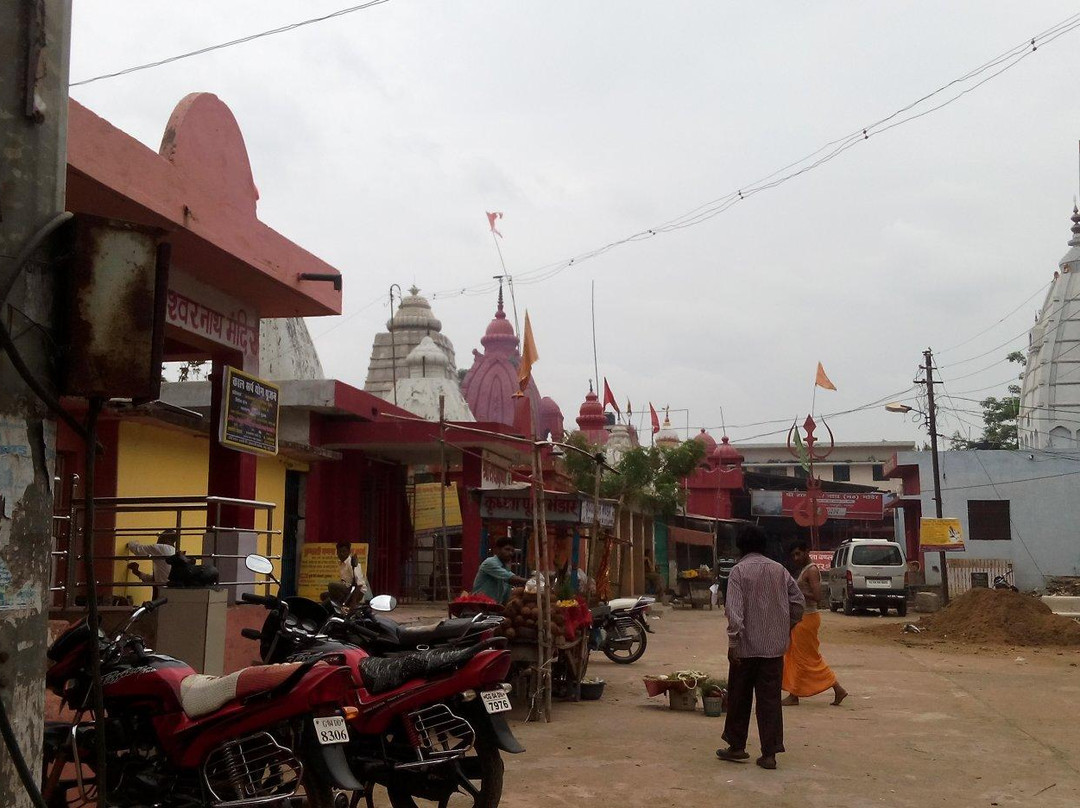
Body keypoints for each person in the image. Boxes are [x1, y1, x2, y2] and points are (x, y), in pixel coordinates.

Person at [717, 525, 805, 771]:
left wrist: (733, 642)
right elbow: (798, 602)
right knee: (769, 702)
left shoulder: (738, 572)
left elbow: (733, 611)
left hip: (745, 648)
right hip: (773, 650)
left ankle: (736, 746)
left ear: (741, 546)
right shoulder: (780, 570)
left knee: (738, 697)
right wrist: (785, 625)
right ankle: (770, 754)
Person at [782, 542, 848, 707]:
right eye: (794, 555)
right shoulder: (805, 570)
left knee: (805, 658)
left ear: (807, 551)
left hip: (807, 618)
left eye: (798, 554)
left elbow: (818, 596)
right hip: (801, 618)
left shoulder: (811, 570)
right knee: (798, 656)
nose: (796, 558)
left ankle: (795, 695)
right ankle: (797, 692)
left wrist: (795, 591)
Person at [472, 537, 527, 604]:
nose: (510, 553)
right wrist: (530, 582)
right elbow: (510, 578)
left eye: (512, 551)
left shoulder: (505, 567)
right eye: (507, 549)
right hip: (479, 606)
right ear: (497, 550)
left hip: (493, 608)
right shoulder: (490, 562)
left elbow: (507, 594)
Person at [326, 541, 369, 608]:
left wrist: (353, 601)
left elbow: (359, 584)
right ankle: (341, 607)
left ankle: (346, 605)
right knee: (325, 596)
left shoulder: (352, 563)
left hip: (357, 592)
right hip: (348, 588)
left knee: (331, 586)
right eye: (339, 552)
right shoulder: (341, 564)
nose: (341, 554)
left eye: (344, 551)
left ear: (349, 552)